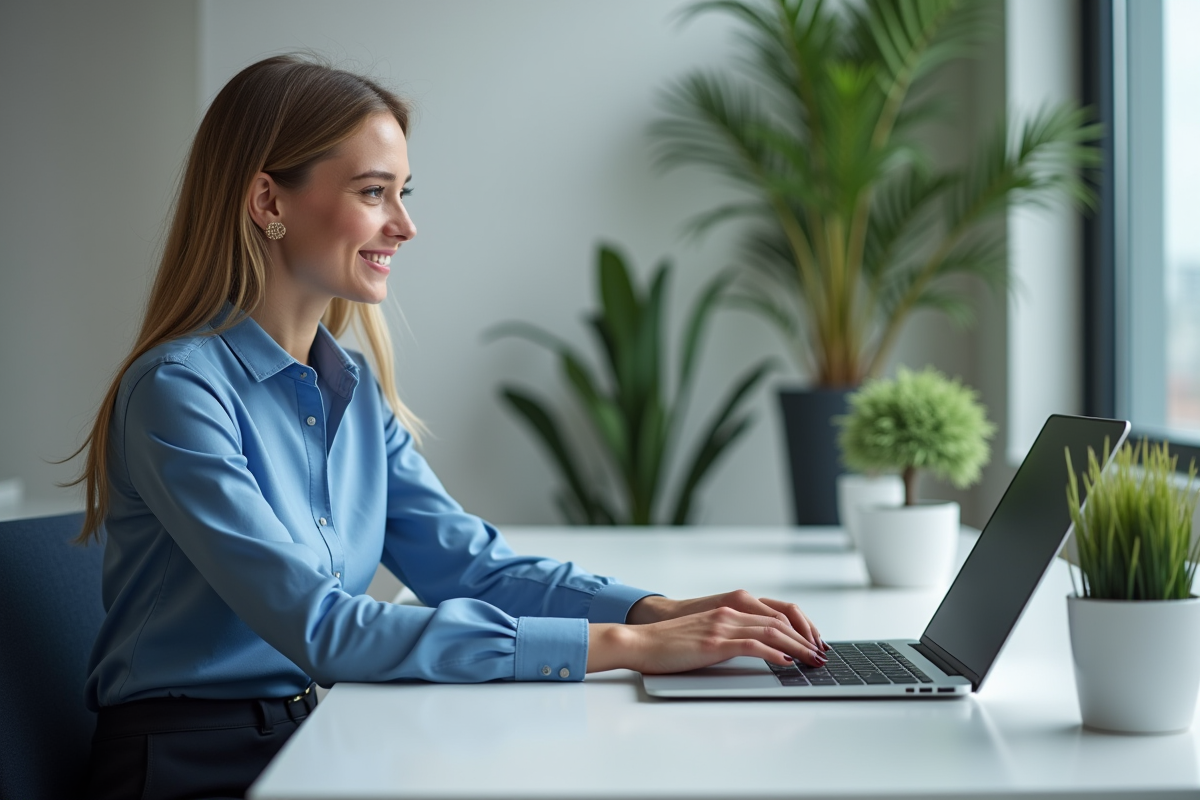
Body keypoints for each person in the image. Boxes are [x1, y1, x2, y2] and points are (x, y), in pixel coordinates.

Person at [70, 55, 828, 800]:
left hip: (306, 735)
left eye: (402, 193)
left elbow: (471, 568)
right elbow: (323, 628)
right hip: (186, 766)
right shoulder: (179, 392)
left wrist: (658, 610)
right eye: (374, 192)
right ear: (269, 200)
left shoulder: (351, 389)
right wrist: (631, 647)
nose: (405, 225)